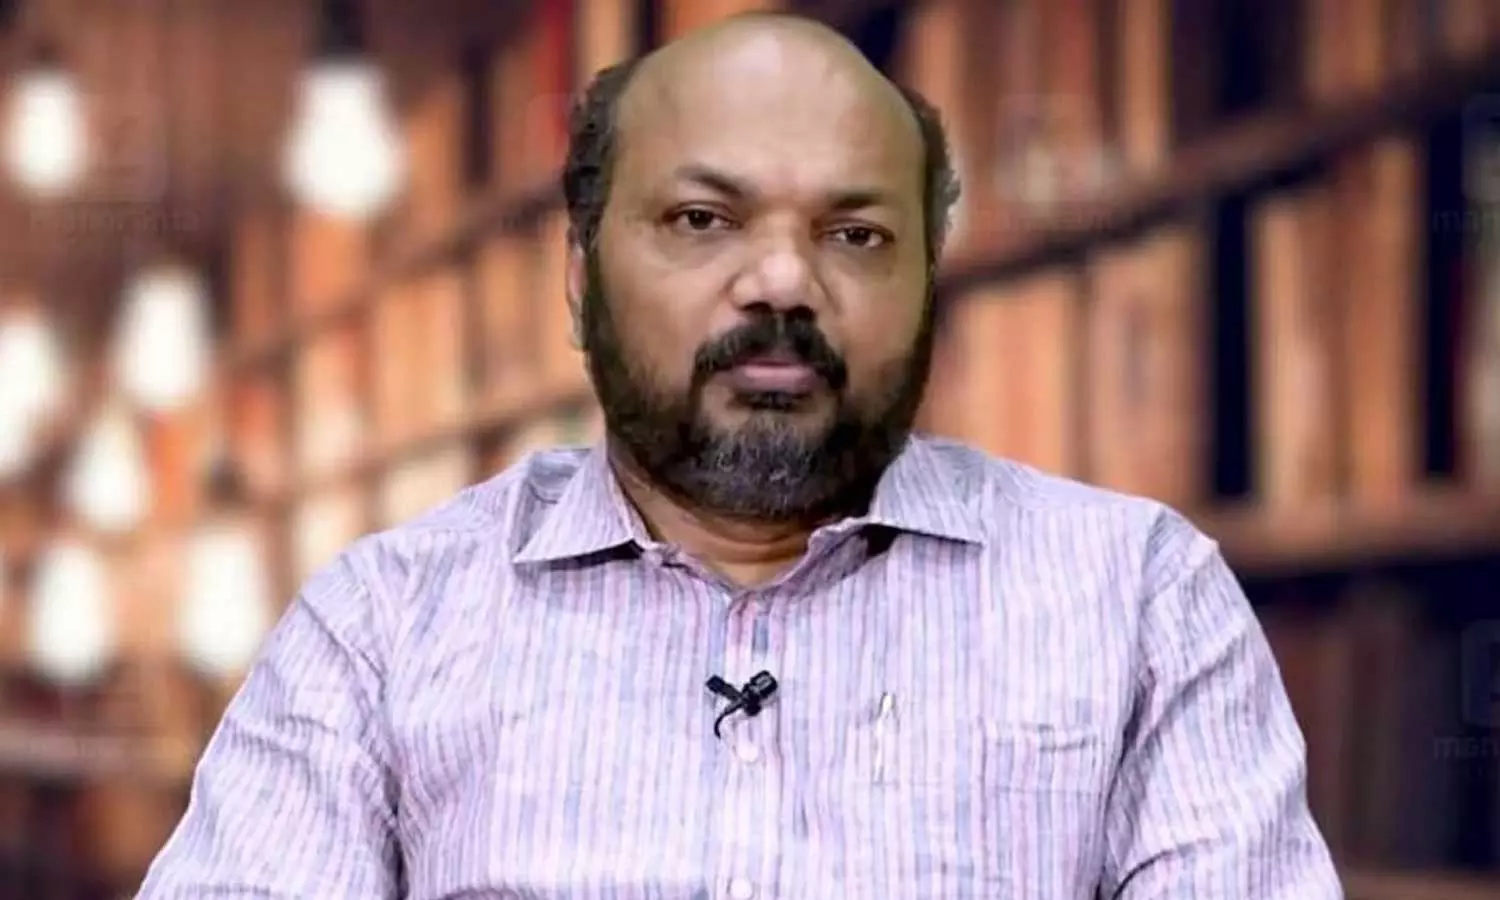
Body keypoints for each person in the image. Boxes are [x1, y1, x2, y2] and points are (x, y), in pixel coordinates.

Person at [136, 12, 1341, 900]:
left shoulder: (1141, 599)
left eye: (855, 234)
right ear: (581, 279)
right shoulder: (382, 625)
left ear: (930, 283)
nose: (781, 282)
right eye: (702, 220)